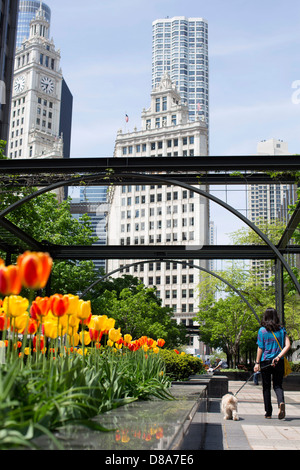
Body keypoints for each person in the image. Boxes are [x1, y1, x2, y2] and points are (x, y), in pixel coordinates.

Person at [254, 307, 290, 419]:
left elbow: (260, 347)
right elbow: (287, 345)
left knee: (266, 387)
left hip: (266, 362)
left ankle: (268, 412)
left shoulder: (262, 331)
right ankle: (280, 402)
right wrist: (279, 356)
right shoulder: (282, 330)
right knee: (278, 385)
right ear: (276, 317)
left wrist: (257, 363)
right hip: (278, 361)